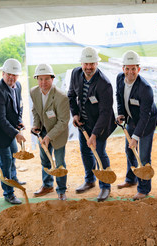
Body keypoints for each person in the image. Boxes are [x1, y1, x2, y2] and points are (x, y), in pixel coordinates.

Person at [68, 47, 116, 202]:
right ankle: (90, 180)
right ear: (82, 63)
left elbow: (105, 113)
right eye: (86, 64)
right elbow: (71, 95)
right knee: (85, 152)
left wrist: (94, 135)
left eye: (92, 64)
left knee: (100, 153)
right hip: (83, 122)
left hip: (101, 124)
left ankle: (105, 186)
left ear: (97, 63)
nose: (89, 67)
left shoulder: (104, 84)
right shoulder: (76, 74)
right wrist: (75, 114)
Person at [115, 50, 157, 200]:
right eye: (127, 68)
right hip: (132, 120)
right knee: (129, 151)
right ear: (123, 69)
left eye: (133, 68)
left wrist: (135, 137)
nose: (130, 72)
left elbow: (145, 116)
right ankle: (131, 179)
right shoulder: (120, 78)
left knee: (144, 155)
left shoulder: (145, 88)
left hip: (146, 123)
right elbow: (119, 97)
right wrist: (121, 113)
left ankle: (144, 189)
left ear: (138, 70)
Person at [30, 64, 70, 200]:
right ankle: (47, 185)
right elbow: (35, 110)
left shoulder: (61, 97)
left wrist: (49, 136)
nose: (43, 82)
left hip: (58, 133)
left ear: (52, 79)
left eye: (47, 79)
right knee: (45, 161)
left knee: (59, 163)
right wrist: (36, 125)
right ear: (37, 79)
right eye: (40, 79)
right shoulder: (34, 92)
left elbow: (63, 122)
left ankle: (61, 190)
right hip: (43, 132)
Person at [0, 58, 26, 205]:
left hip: (10, 131)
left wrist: (19, 121)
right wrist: (16, 133)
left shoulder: (18, 86)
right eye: (9, 74)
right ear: (3, 73)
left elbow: (19, 106)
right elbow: (0, 119)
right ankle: (8, 193)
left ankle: (14, 179)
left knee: (13, 157)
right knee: (5, 162)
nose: (12, 77)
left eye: (15, 74)